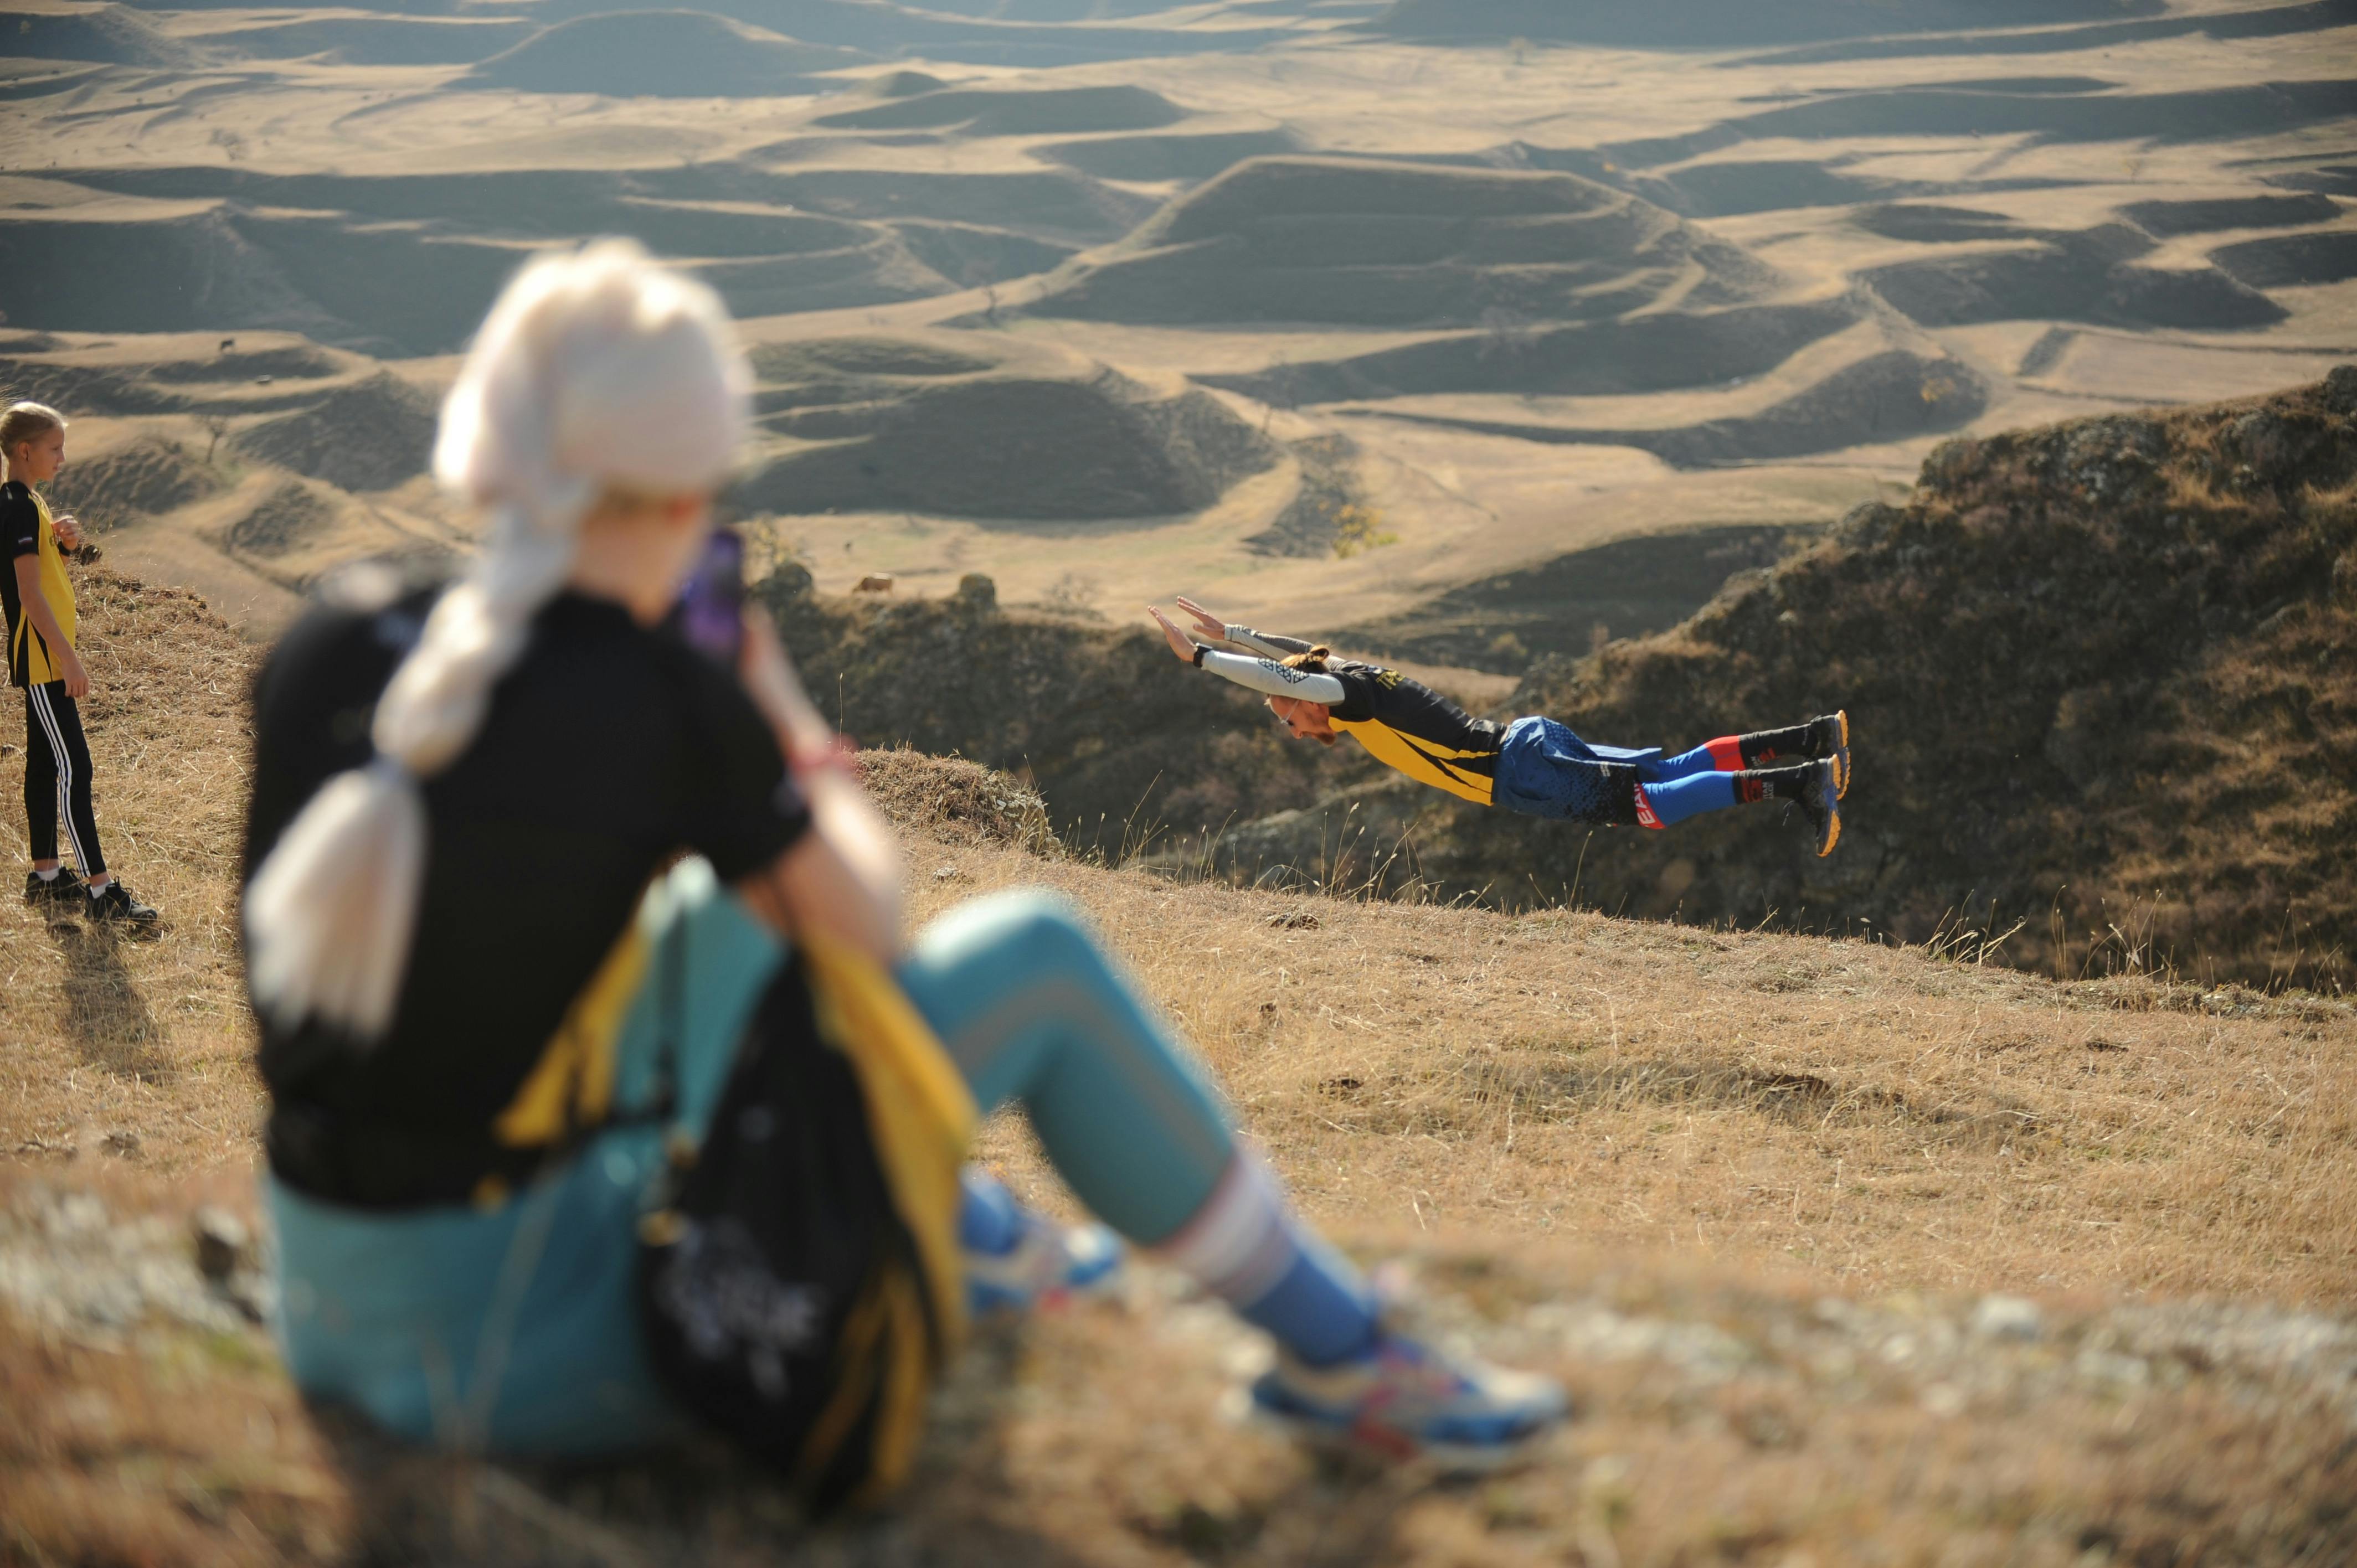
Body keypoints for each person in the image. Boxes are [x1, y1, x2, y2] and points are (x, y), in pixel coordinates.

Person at [240, 241, 1565, 1485]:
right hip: (517, 1360)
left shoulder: (335, 639)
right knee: (1039, 958)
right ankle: (1351, 1362)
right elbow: (864, 930)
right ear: (689, 482)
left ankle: (983, 1236)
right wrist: (775, 707)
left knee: (726, 913)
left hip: (334, 1305)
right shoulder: (660, 697)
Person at [1149, 597, 1850, 857]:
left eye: (1289, 719)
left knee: (1652, 806)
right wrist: (1237, 630)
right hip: (1526, 740)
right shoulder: (1356, 675)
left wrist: (1205, 657)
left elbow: (1287, 674)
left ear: (1308, 700)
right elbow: (1297, 654)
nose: (1295, 729)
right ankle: (1813, 737)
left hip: (1517, 772)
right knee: (1663, 774)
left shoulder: (1342, 697)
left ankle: (1802, 782)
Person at [0, 403, 159, 924]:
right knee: (76, 767)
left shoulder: (29, 503)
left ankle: (46, 876)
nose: (63, 457)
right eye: (55, 448)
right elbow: (28, 596)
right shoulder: (18, 506)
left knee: (47, 764)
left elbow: (42, 576)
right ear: (25, 451)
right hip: (45, 662)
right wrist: (69, 661)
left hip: (47, 658)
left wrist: (62, 548)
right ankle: (100, 891)